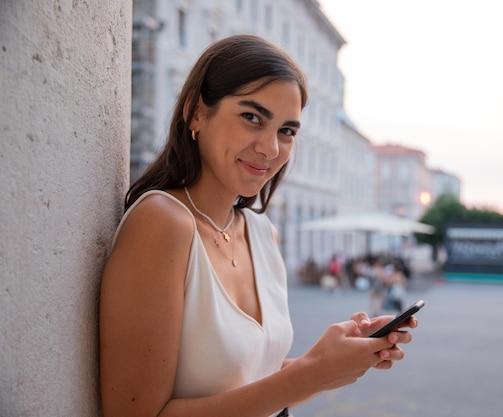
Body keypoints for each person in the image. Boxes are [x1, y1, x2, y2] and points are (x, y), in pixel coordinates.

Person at [99, 34, 418, 417]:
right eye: (252, 117)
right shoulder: (162, 223)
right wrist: (313, 375)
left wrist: (325, 362)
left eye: (287, 131)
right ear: (196, 112)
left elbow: (252, 385)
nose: (270, 148)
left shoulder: (263, 233)